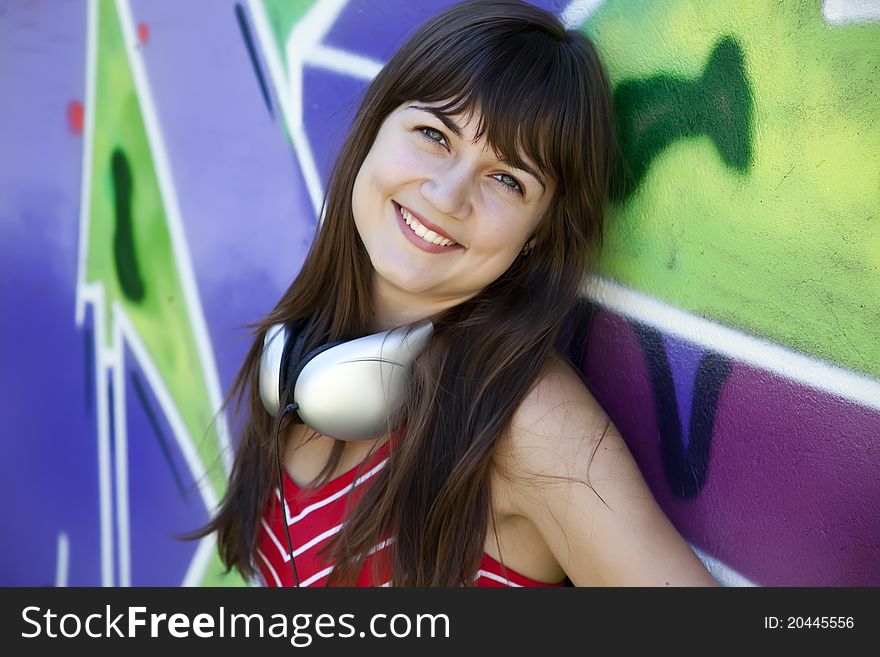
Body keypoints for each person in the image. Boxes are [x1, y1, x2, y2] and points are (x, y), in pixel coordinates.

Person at [194, 0, 718, 587]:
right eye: (433, 134)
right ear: (376, 129)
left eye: (505, 179)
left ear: (537, 233)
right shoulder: (301, 355)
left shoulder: (527, 422)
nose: (447, 195)